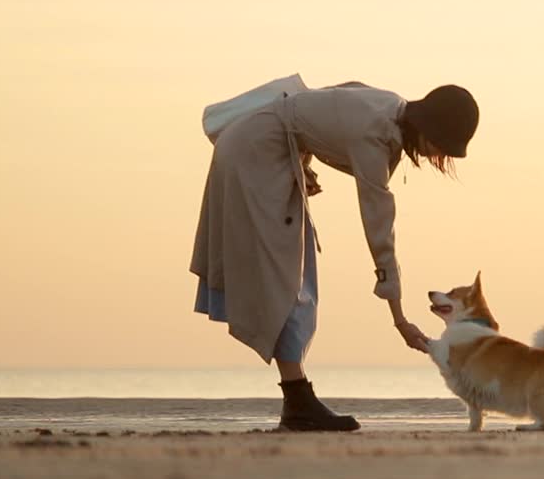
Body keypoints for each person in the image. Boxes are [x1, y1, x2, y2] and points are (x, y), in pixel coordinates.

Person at [190, 81, 479, 431]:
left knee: (298, 270)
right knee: (283, 273)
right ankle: (297, 400)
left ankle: (297, 400)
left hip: (266, 148)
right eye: (441, 146)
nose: (438, 157)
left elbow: (317, 104)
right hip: (255, 152)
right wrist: (400, 319)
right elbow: (379, 228)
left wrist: (303, 158)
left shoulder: (390, 106)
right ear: (428, 128)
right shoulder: (375, 138)